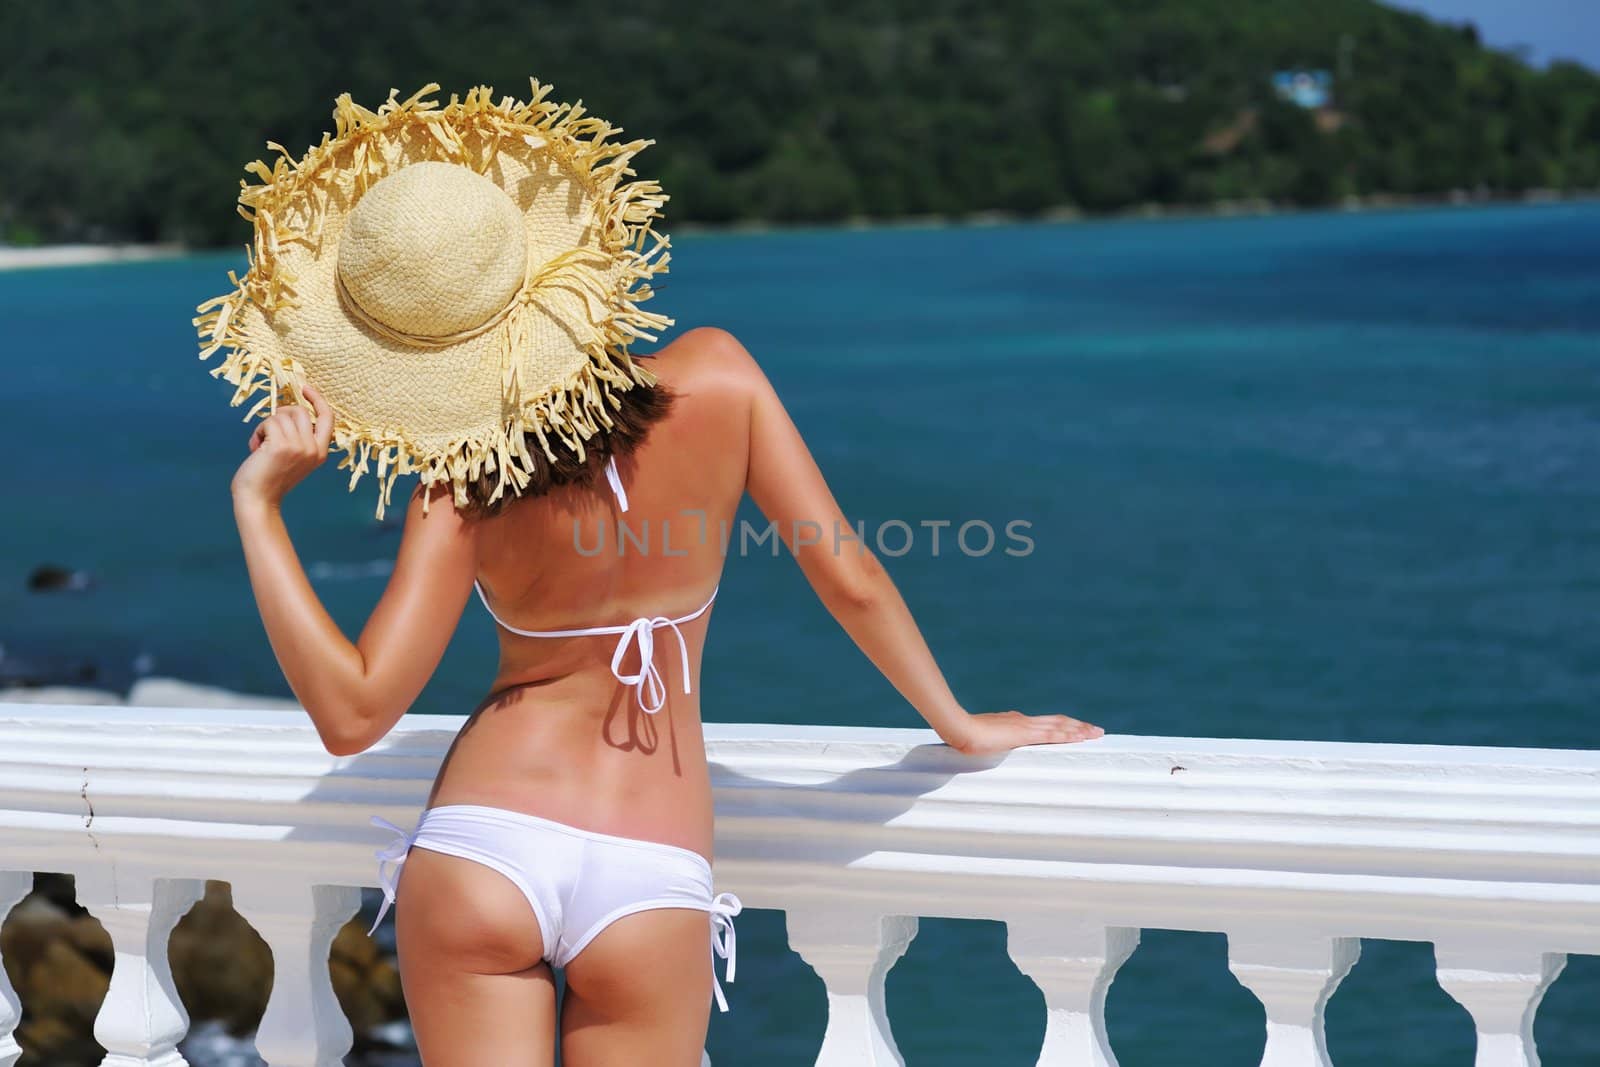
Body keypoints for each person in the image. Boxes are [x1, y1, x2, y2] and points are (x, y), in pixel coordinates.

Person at [203, 81, 1103, 1066]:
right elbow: (850, 580)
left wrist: (261, 505)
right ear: (562, 265)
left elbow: (353, 712)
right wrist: (960, 724)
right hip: (649, 858)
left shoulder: (462, 482)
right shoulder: (720, 376)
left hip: (484, 844)